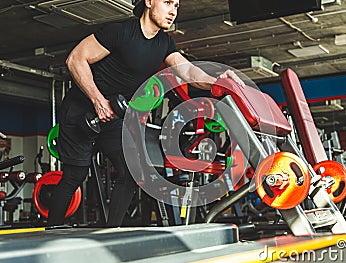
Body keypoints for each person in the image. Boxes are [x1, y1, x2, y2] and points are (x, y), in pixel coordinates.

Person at [47, 0, 244, 227]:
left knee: (131, 173)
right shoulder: (120, 32)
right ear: (149, 1)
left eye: (177, 6)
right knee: (75, 176)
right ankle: (50, 230)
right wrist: (98, 101)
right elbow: (75, 59)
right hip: (81, 109)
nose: (173, 10)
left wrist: (218, 80)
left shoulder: (164, 43)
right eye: (168, 2)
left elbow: (188, 71)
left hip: (112, 114)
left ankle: (110, 235)